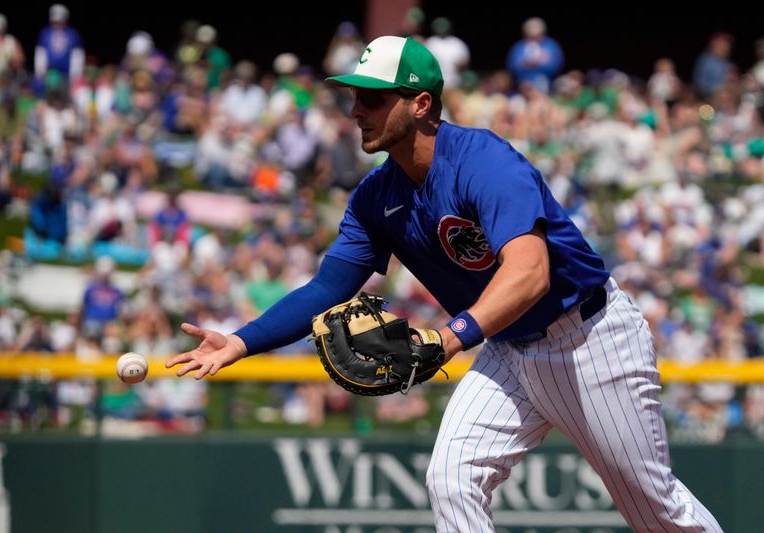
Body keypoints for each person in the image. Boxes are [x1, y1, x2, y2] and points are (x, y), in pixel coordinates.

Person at [166, 36, 722, 531]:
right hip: (508, 349)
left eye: (372, 98)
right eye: (353, 96)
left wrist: (450, 338)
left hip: (588, 343)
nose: (356, 109)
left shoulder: (483, 161)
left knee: (656, 513)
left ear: (421, 103)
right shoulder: (374, 198)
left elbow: (529, 273)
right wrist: (241, 341)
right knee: (451, 482)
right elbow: (326, 288)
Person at [506, 16, 564, 94]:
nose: (534, 40)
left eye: (537, 36)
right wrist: (525, 64)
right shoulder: (519, 47)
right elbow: (512, 66)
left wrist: (540, 63)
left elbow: (557, 65)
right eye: (531, 37)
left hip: (546, 86)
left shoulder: (551, 45)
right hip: (522, 86)